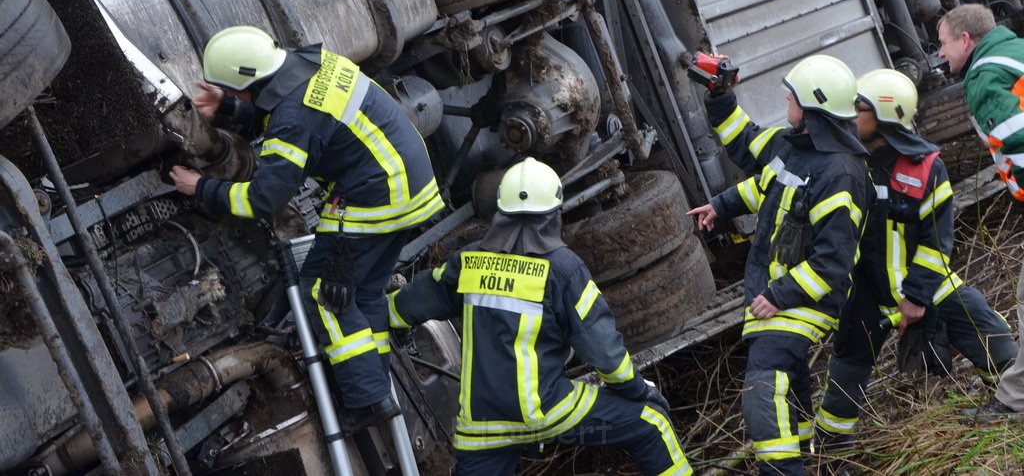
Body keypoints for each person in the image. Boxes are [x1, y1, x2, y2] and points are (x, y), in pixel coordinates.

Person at [170, 25, 445, 433]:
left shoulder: (293, 121)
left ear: (249, 81)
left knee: (324, 292)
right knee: (364, 294)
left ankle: (366, 401)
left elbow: (263, 199)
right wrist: (229, 106)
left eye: (234, 90)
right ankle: (375, 385)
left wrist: (203, 188)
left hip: (378, 197)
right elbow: (296, 110)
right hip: (409, 185)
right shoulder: (308, 62)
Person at [386, 157, 692, 475]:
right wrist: (636, 389)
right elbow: (600, 346)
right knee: (651, 421)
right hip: (546, 412)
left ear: (500, 210)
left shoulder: (469, 261)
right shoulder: (562, 268)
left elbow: (409, 304)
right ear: (554, 212)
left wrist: (375, 315)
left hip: (482, 429)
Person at [814, 68, 1018, 458]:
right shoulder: (846, 163)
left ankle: (1008, 415)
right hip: (867, 294)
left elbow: (937, 243)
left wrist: (917, 297)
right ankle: (830, 454)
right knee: (845, 374)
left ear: (885, 116)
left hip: (928, 286)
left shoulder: (925, 167)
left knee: (992, 335)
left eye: (860, 108)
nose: (851, 116)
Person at [687, 54, 868, 475]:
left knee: (763, 386)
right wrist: (720, 95)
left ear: (812, 108)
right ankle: (808, 456)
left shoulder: (841, 174)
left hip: (806, 297)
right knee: (789, 380)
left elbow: (832, 265)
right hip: (778, 290)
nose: (785, 101)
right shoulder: (795, 146)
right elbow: (753, 158)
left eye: (791, 97)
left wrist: (778, 295)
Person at [938, 4, 1024, 423]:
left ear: (965, 40)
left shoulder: (984, 76)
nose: (939, 54)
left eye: (943, 43)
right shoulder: (1017, 51)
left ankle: (1013, 402)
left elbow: (1018, 139)